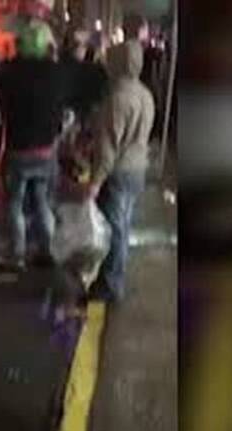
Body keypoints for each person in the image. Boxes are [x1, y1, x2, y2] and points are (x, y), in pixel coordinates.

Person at [0, 19, 72, 269]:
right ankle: (46, 250)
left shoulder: (9, 72)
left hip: (18, 150)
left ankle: (17, 254)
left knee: (15, 203)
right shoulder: (56, 72)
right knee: (42, 201)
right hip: (46, 150)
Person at [83, 40, 155, 303]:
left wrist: (95, 182)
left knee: (114, 231)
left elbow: (108, 147)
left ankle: (111, 283)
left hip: (119, 172)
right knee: (122, 226)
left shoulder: (117, 99)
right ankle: (115, 278)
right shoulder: (145, 94)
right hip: (138, 168)